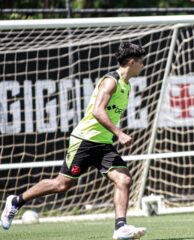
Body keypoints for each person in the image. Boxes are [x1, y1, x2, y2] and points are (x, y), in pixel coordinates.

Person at [1, 42, 147, 240]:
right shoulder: (110, 81)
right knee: (62, 185)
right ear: (132, 62)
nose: (143, 66)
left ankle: (120, 227)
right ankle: (17, 201)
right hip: (84, 141)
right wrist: (119, 133)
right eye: (141, 62)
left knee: (124, 179)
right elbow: (97, 111)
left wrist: (112, 135)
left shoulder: (127, 85)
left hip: (103, 144)